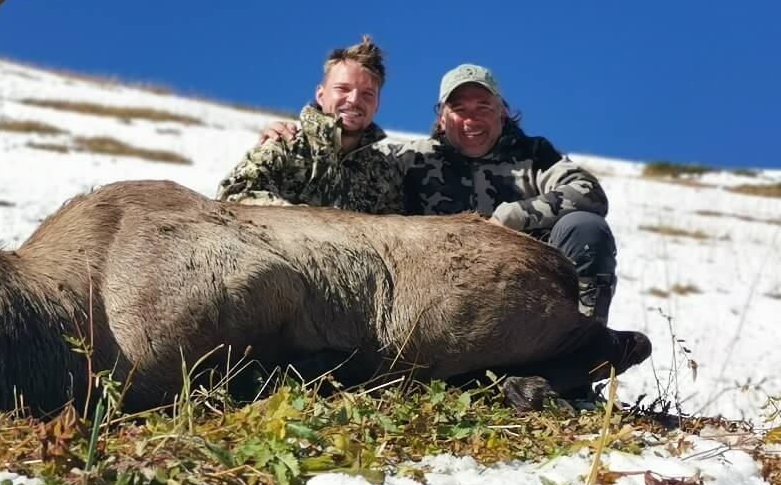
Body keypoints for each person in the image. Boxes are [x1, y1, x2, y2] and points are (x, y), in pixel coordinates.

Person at [253, 63, 617, 323]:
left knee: (584, 228)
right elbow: (351, 162)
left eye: (483, 107)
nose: (471, 119)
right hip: (442, 297)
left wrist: (509, 218)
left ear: (503, 112)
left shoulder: (535, 154)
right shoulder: (412, 158)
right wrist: (294, 137)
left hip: (531, 288)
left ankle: (582, 356)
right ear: (441, 117)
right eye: (458, 109)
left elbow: (588, 192)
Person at [216, 37, 402, 214]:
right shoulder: (286, 145)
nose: (354, 100)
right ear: (321, 95)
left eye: (367, 94)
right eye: (342, 89)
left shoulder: (383, 174)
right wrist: (305, 225)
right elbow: (232, 196)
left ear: (377, 105)